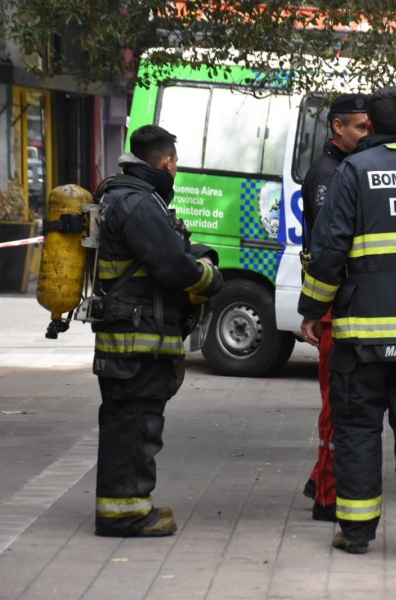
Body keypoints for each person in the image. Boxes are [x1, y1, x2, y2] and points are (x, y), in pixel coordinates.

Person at [298, 87, 396, 558]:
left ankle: (357, 532)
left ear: (371, 124)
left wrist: (311, 308)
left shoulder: (353, 172)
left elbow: (329, 251)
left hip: (362, 334)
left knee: (359, 429)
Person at [92, 125, 224, 537]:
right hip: (138, 339)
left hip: (125, 334)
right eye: (176, 162)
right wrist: (209, 278)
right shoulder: (139, 204)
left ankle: (127, 506)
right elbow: (171, 266)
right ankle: (126, 515)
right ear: (167, 161)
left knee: (126, 422)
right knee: (136, 424)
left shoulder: (119, 195)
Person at [299, 93, 369, 523]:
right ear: (338, 127)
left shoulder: (346, 168)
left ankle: (320, 477)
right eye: (360, 127)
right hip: (331, 307)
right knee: (336, 405)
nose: (367, 134)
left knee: (344, 402)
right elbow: (332, 248)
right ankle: (327, 494)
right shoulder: (328, 174)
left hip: (344, 304)